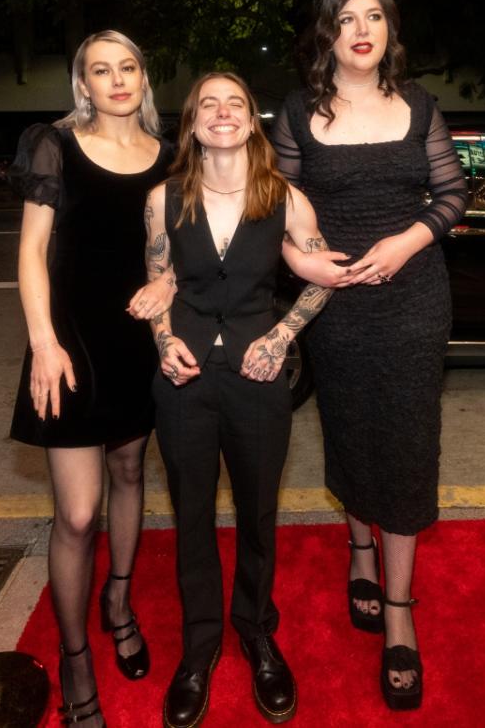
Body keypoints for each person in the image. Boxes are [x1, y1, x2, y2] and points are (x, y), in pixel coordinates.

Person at [271, 0, 468, 711]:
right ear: (328, 35)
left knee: (410, 442)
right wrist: (299, 261)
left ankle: (399, 613)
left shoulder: (419, 107)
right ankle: (358, 548)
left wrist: (409, 239)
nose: (362, 28)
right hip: (336, 304)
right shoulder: (297, 113)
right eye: (346, 18)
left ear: (390, 29)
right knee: (350, 430)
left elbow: (451, 195)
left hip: (416, 299)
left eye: (375, 16)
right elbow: (273, 206)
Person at [143, 72, 333, 728]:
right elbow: (158, 281)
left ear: (252, 119)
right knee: (191, 515)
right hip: (185, 381)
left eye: (236, 103)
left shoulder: (285, 198)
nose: (223, 113)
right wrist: (163, 342)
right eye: (208, 104)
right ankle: (199, 647)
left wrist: (282, 336)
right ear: (192, 123)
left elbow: (319, 281)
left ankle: (254, 629)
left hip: (257, 380)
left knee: (257, 513)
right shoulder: (163, 199)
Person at [8, 30, 176, 726]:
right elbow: (31, 251)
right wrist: (43, 343)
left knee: (132, 470)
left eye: (128, 66)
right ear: (83, 83)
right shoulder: (55, 146)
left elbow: (179, 242)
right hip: (70, 341)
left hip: (137, 338)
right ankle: (76, 658)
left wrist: (169, 280)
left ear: (143, 77)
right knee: (77, 513)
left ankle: (119, 598)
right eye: (100, 70)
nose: (116, 80)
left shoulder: (169, 157)